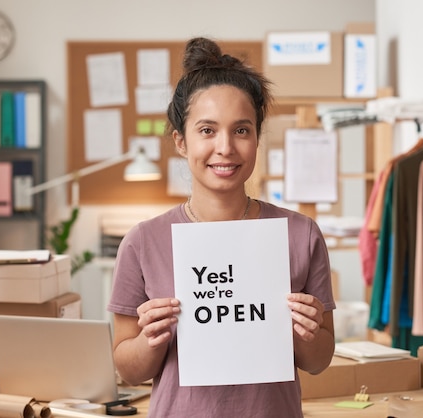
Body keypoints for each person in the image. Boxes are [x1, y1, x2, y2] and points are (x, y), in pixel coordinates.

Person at [107, 37, 335, 418]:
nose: (225, 147)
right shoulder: (143, 242)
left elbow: (319, 360)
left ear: (258, 137)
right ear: (181, 141)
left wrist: (306, 331)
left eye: (242, 130)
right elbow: (128, 370)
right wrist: (151, 339)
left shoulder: (299, 234)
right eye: (207, 130)